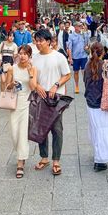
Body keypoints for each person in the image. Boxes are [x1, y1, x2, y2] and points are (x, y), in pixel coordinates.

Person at [33, 29, 71, 176]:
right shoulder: (34, 58)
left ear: (48, 41)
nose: (37, 43)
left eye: (40, 40)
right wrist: (36, 86)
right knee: (41, 128)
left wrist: (56, 85)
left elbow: (67, 75)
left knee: (57, 129)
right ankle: (44, 157)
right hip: (40, 96)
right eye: (36, 40)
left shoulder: (59, 57)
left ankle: (56, 160)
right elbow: (31, 77)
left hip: (56, 97)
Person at [3, 45, 37, 178]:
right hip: (14, 103)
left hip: (27, 103)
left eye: (25, 54)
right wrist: (11, 84)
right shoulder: (12, 68)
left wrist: (30, 73)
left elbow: (33, 87)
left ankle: (20, 162)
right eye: (21, 53)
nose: (22, 56)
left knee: (23, 132)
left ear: (29, 56)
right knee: (14, 132)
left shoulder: (33, 69)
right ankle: (21, 154)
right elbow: (6, 85)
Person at [84, 42, 108, 172]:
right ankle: (100, 160)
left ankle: (97, 154)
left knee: (95, 129)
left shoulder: (87, 65)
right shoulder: (106, 65)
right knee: (105, 130)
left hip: (91, 102)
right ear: (103, 52)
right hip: (104, 102)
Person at [67, 22, 91, 94]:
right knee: (76, 72)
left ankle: (86, 86)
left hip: (84, 56)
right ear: (75, 27)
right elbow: (69, 48)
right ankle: (77, 86)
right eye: (79, 26)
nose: (81, 27)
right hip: (75, 57)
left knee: (84, 71)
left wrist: (87, 47)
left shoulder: (84, 34)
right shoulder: (71, 36)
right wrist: (70, 58)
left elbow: (88, 44)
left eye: (81, 26)